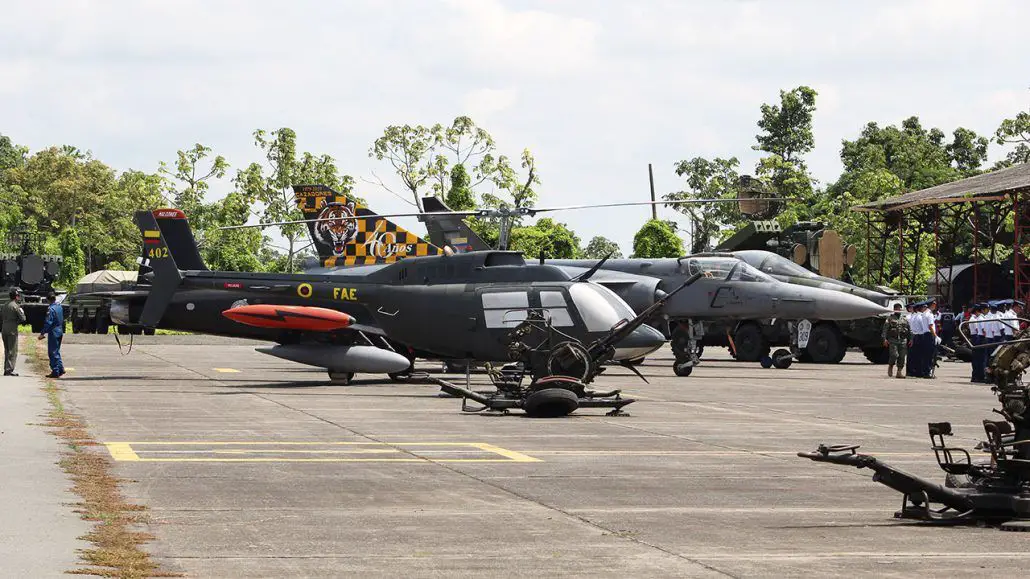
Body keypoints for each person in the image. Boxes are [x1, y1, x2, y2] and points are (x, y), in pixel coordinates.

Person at [37, 292, 65, 378]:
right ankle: (60, 368)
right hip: (60, 330)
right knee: (57, 351)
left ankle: (55, 371)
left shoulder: (51, 309)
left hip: (53, 332)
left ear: (48, 300)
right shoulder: (59, 307)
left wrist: (42, 333)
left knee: (52, 352)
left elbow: (48, 322)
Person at [882, 303, 911, 379]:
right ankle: (891, 365)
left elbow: (909, 329)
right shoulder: (890, 318)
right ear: (894, 309)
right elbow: (885, 329)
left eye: (899, 308)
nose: (898, 310)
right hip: (893, 340)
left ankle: (899, 372)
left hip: (903, 340)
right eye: (897, 308)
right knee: (894, 355)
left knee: (902, 356)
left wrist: (911, 339)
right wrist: (884, 339)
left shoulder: (904, 319)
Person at [2, 288, 26, 376]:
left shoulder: (5, 305)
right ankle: (9, 369)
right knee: (13, 350)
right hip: (12, 329)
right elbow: (23, 318)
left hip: (4, 328)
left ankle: (6, 368)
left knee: (7, 349)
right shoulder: (16, 306)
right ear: (16, 297)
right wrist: (22, 312)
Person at [907, 301, 927, 377]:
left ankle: (911, 371)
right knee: (920, 355)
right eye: (924, 307)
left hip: (914, 336)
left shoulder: (913, 316)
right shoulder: (920, 316)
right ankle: (919, 372)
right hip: (920, 336)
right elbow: (924, 328)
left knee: (912, 355)